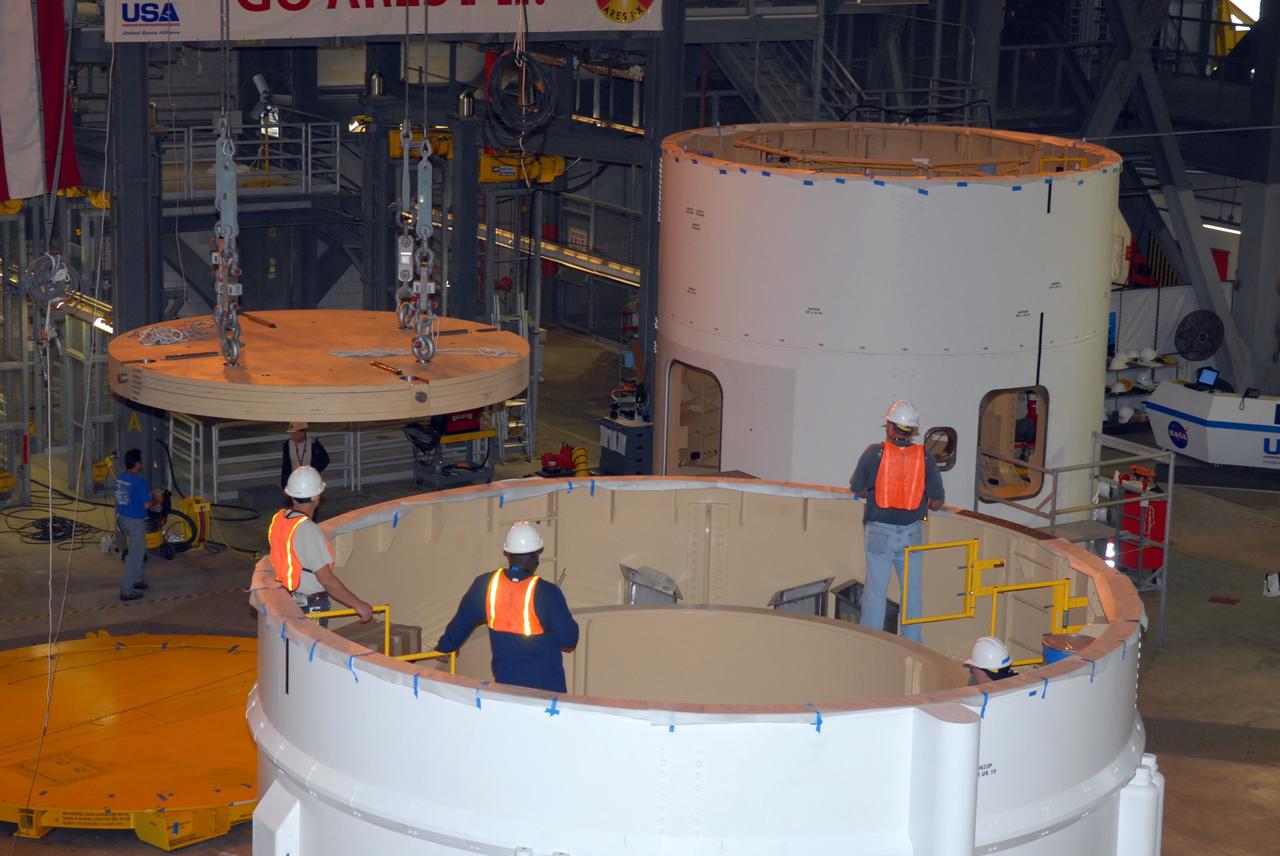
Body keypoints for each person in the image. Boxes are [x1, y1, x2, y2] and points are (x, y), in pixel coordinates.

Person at [435, 521, 579, 693]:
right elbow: (569, 639)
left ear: (508, 553)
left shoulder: (485, 585)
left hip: (506, 689)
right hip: (545, 692)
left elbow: (461, 622)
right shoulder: (548, 593)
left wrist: (445, 648)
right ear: (535, 556)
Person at [850, 399, 945, 644]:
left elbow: (858, 488)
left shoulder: (874, 453)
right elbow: (937, 502)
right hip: (912, 533)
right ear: (912, 431)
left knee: (875, 592)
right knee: (911, 593)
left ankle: (871, 642)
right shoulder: (925, 457)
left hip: (878, 533)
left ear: (891, 427)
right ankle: (912, 643)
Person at [269, 465, 372, 623]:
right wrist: (358, 605)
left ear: (290, 495)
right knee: (312, 639)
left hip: (288, 598)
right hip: (310, 603)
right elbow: (326, 579)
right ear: (316, 496)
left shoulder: (280, 519)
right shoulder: (308, 530)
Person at [115, 448, 164, 602]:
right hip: (135, 522)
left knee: (140, 549)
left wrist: (147, 495)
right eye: (141, 460)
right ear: (137, 464)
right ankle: (126, 590)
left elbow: (130, 495)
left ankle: (136, 578)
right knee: (134, 555)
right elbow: (147, 505)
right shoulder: (139, 482)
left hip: (122, 519)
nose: (142, 462)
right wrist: (158, 500)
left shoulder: (120, 478)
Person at [280, 422, 329, 489]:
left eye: (295, 433)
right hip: (294, 482)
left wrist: (313, 471)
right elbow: (285, 467)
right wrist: (284, 486)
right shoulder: (287, 445)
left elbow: (325, 460)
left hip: (311, 481)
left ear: (302, 433)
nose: (292, 436)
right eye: (292, 433)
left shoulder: (313, 443)